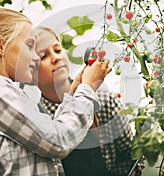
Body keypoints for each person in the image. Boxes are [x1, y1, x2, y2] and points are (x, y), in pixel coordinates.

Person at [0, 8, 112, 176]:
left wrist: (75, 90)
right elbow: (57, 141)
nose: (36, 57)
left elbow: (49, 131)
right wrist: (87, 89)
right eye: (30, 46)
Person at [30, 26, 143, 176]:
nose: (56, 58)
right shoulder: (36, 120)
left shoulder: (104, 100)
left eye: (57, 50)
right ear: (29, 73)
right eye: (43, 56)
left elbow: (129, 156)